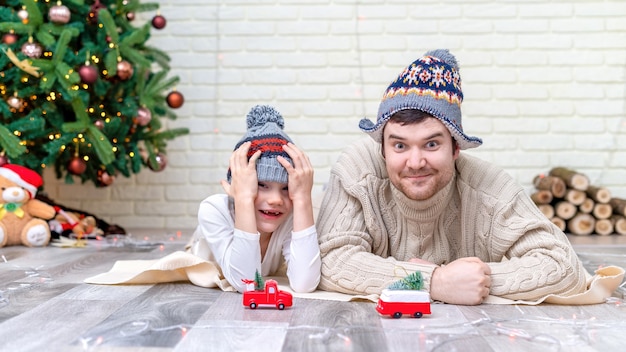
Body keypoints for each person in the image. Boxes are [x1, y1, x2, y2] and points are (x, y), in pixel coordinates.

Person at [316, 49, 590, 305]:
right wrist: (436, 281)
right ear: (383, 148)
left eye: (431, 144)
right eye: (399, 145)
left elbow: (564, 267)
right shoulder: (358, 171)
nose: (415, 162)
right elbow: (329, 262)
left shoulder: (488, 187)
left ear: (456, 147)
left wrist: (476, 282)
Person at [189, 105, 321, 293]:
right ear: (239, 185)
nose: (276, 199)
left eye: (286, 188)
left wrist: (302, 199)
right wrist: (243, 199)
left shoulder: (289, 214)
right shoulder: (214, 209)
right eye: (261, 185)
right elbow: (246, 283)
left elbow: (305, 283)